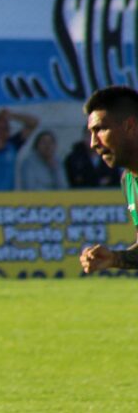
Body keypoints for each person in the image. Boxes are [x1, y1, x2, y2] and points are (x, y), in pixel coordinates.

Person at [79, 86, 138, 273]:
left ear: (129, 126)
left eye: (101, 130)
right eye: (91, 133)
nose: (93, 143)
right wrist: (114, 258)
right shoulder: (128, 180)